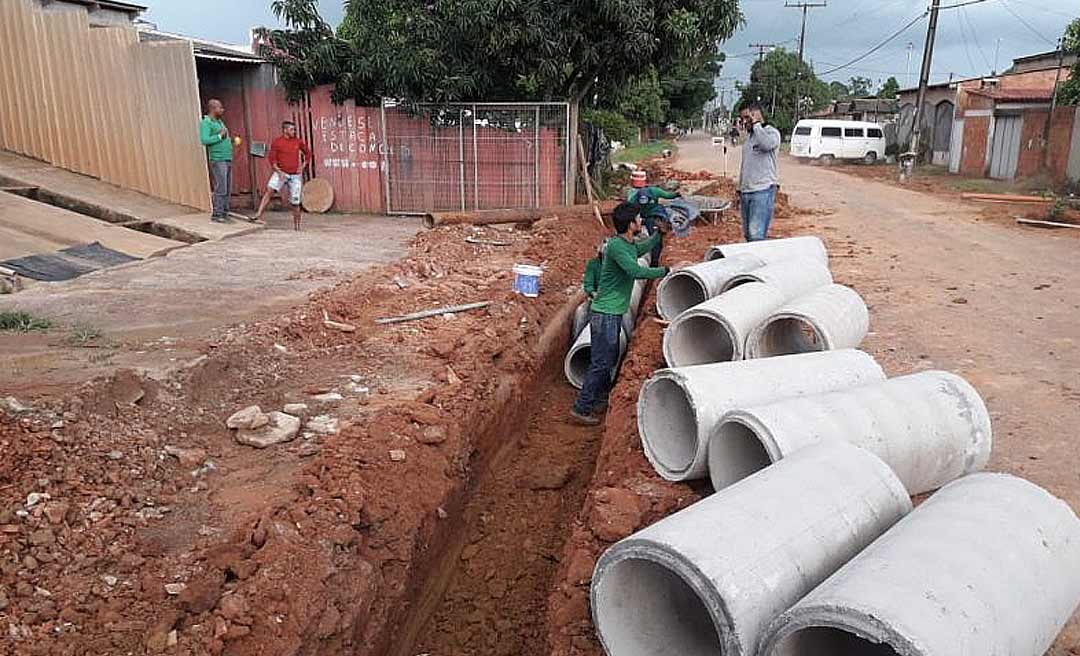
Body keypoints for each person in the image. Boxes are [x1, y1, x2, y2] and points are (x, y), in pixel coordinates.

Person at [571, 202, 670, 426]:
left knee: (607, 358)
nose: (641, 221)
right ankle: (581, 407)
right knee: (601, 362)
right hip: (605, 313)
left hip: (612, 313)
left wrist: (658, 236)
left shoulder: (627, 244)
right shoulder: (616, 247)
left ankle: (598, 399)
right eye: (638, 218)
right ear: (630, 224)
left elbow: (641, 249)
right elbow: (634, 270)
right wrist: (665, 270)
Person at [254, 120, 313, 230]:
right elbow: (272, 159)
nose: (294, 131)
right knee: (269, 190)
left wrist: (303, 166)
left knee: (295, 202)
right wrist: (279, 171)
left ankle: (297, 227)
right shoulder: (277, 142)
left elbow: (308, 153)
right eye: (291, 129)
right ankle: (258, 214)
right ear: (285, 130)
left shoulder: (298, 142)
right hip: (281, 172)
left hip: (295, 175)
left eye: (294, 129)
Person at [736, 101, 781, 242]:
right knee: (748, 235)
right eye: (742, 118)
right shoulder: (749, 138)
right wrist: (740, 188)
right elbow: (745, 165)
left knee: (756, 235)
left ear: (755, 114)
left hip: (762, 191)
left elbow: (767, 144)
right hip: (746, 192)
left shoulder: (771, 133)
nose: (744, 122)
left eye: (746, 117)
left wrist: (756, 124)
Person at [626, 171, 680, 266]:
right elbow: (668, 196)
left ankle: (652, 260)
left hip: (648, 217)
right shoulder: (653, 191)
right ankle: (654, 260)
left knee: (650, 238)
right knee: (655, 239)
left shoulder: (634, 195)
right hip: (652, 217)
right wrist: (677, 194)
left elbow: (629, 208)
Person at [199, 99, 236, 224]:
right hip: (218, 159)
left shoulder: (219, 122)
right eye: (220, 108)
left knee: (227, 187)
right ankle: (217, 214)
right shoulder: (206, 122)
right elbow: (204, 140)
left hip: (227, 158)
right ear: (213, 109)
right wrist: (219, 136)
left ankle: (225, 213)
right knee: (221, 187)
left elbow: (223, 137)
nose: (222, 110)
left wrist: (230, 141)